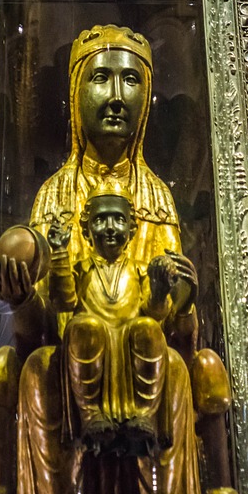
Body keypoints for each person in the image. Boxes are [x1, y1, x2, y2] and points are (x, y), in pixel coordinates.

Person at [0, 25, 229, 494]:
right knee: (35, 371)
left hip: (145, 350)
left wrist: (180, 300)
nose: (117, 95)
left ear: (147, 98)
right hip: (75, 351)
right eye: (100, 78)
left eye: (130, 80)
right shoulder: (53, 196)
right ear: (76, 95)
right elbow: (36, 323)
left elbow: (178, 322)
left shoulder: (158, 199)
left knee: (173, 370)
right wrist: (23, 293)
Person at [48, 181, 195, 458]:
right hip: (92, 344)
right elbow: (62, 301)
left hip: (130, 346)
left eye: (119, 219)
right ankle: (90, 413)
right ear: (86, 230)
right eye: (101, 220)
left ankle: (144, 415)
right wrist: (58, 253)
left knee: (148, 327)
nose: (111, 227)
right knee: (83, 326)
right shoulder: (81, 269)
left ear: (132, 229)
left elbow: (154, 313)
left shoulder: (140, 271)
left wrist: (160, 290)